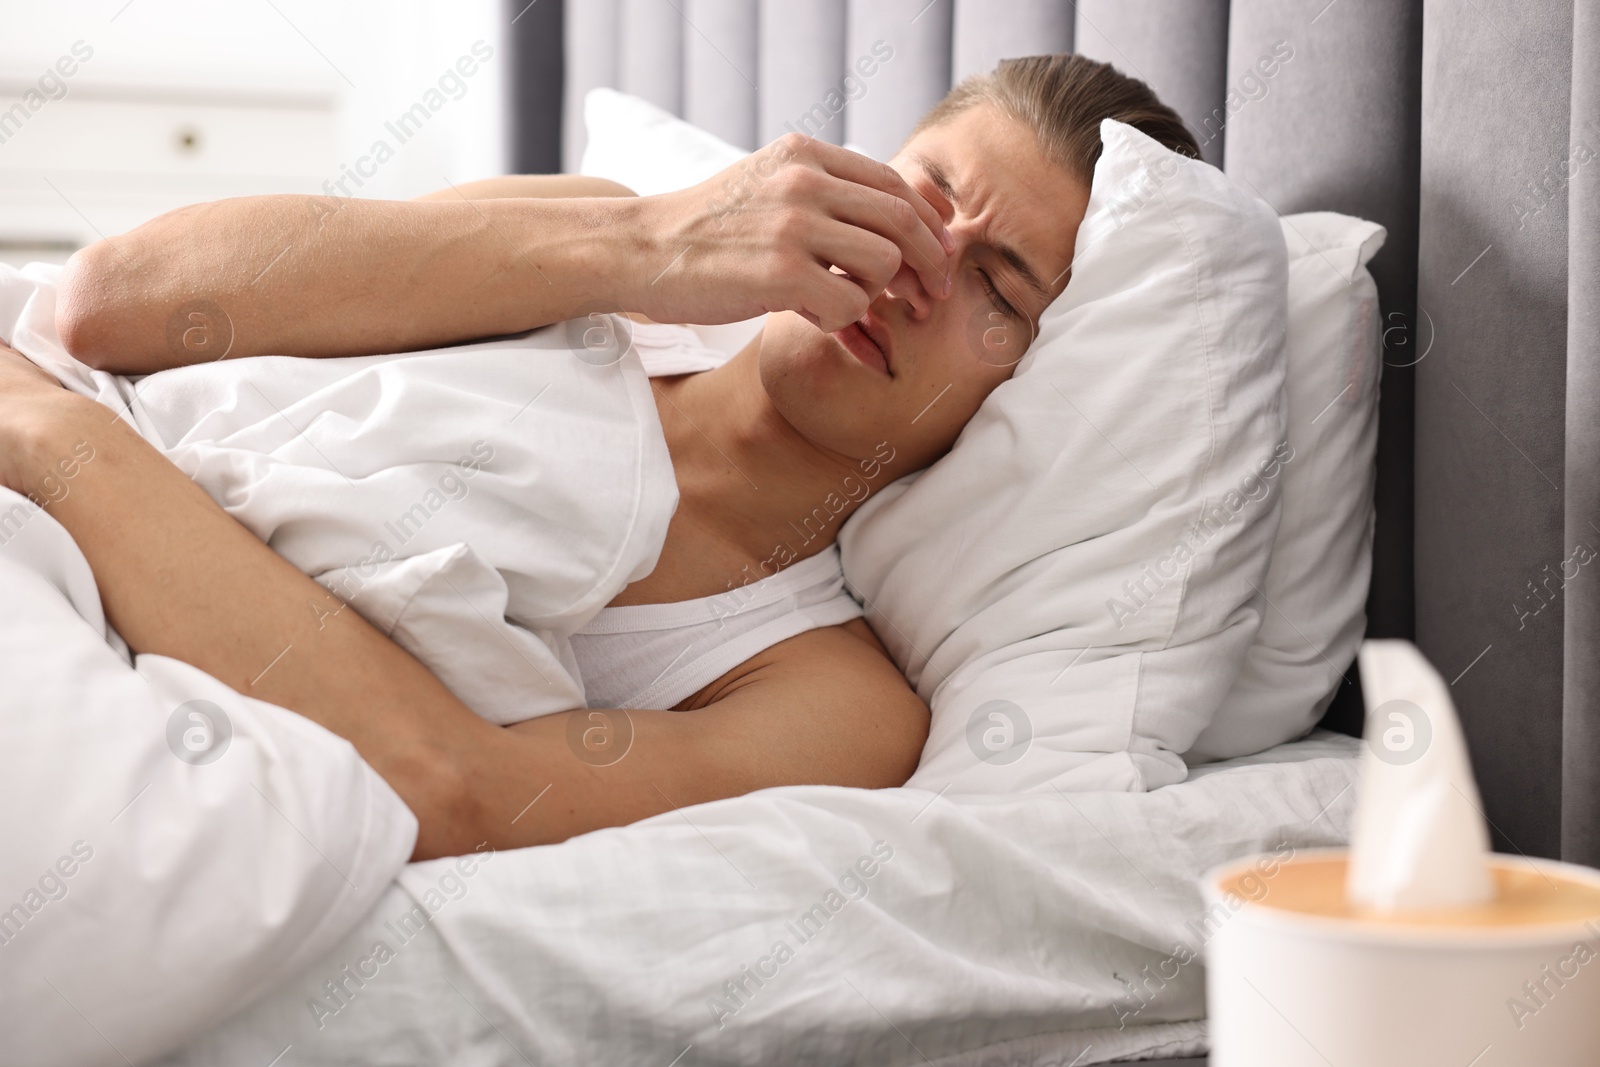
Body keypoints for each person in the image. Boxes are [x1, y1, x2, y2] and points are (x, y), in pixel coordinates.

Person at [0, 55, 1198, 860]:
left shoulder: (832, 701)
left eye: (996, 283)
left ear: (1030, 383)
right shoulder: (603, 248)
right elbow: (114, 305)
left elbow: (455, 789)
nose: (915, 265)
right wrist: (643, 239)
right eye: (919, 196)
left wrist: (61, 445)